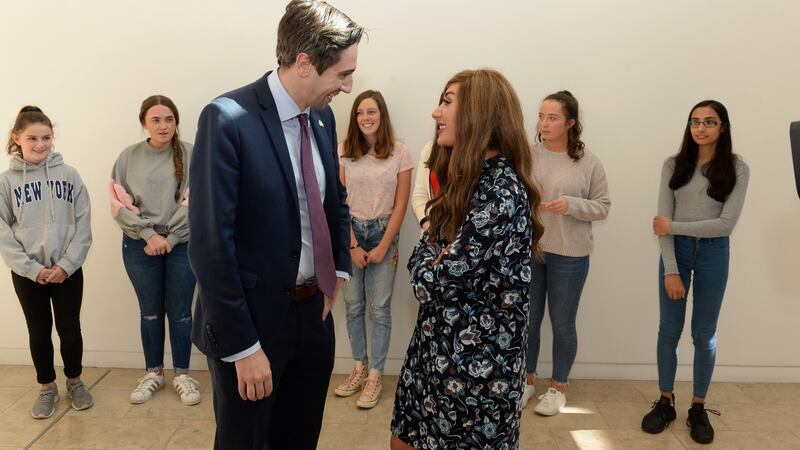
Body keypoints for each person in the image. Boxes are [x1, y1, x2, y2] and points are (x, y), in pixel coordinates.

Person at [187, 1, 364, 448]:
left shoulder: (322, 115)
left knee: (299, 438)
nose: (348, 87)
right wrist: (243, 349)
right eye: (342, 74)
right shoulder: (227, 119)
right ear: (305, 63)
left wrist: (336, 273)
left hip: (313, 318)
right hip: (252, 326)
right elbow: (211, 246)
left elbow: (334, 200)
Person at [390, 69, 544, 450]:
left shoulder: (501, 193)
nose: (434, 112)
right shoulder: (468, 179)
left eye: (446, 101)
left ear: (478, 112)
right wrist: (432, 256)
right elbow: (429, 254)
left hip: (476, 374)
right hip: (435, 353)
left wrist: (431, 260)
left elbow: (432, 281)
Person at [641, 100, 749, 444]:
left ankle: (698, 406)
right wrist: (670, 270)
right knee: (669, 330)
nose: (700, 128)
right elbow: (661, 226)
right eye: (694, 122)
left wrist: (676, 224)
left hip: (714, 255)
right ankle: (665, 400)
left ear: (723, 127)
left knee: (704, 334)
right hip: (677, 252)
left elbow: (725, 225)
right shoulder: (673, 165)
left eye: (709, 122)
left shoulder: (737, 168)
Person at [0, 106, 93, 418]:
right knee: (38, 330)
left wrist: (67, 265)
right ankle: (47, 388)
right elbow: (2, 233)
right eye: (33, 138)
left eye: (47, 137)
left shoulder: (70, 175)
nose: (41, 144)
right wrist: (32, 268)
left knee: (70, 328)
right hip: (28, 274)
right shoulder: (7, 182)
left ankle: (76, 382)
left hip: (68, 271)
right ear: (17, 138)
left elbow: (83, 225)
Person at [521, 91, 610, 415]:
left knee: (562, 322)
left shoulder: (588, 163)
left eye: (552, 117)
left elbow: (603, 207)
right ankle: (527, 382)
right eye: (541, 116)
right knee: (528, 321)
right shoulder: (527, 156)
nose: (543, 123)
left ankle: (558, 387)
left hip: (570, 255)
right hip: (532, 251)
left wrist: (571, 205)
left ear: (570, 123)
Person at [111, 95, 200, 406]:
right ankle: (153, 373)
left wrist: (171, 239)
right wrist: (149, 235)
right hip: (139, 245)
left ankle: (183, 375)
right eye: (156, 120)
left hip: (183, 243)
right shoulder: (128, 157)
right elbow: (118, 203)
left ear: (176, 122)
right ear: (144, 124)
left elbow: (198, 202)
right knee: (150, 312)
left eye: (169, 120)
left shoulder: (192, 153)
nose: (164, 126)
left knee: (180, 313)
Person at [334, 90, 413, 408]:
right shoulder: (343, 151)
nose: (366, 118)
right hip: (351, 232)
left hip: (384, 232)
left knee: (379, 309)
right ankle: (358, 367)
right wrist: (352, 245)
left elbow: (401, 203)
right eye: (360, 113)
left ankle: (376, 375)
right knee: (353, 307)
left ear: (382, 115)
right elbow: (339, 204)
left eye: (372, 112)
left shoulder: (399, 152)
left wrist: (383, 246)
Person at [411, 139, 444, 231]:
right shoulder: (430, 149)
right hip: (432, 235)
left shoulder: (478, 152)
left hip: (464, 238)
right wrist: (428, 227)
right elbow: (419, 196)